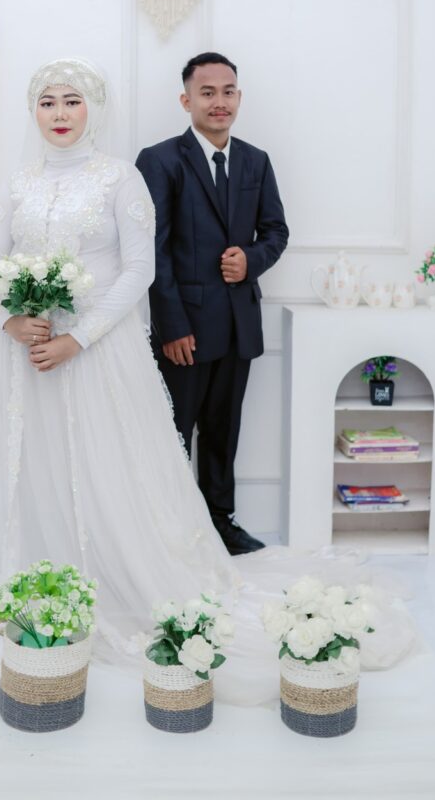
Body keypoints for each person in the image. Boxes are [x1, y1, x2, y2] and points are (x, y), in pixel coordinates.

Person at [0, 57, 413, 705]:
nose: (60, 113)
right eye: (48, 102)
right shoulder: (41, 177)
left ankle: (196, 531)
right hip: (50, 343)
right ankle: (56, 555)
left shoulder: (147, 172)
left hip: (131, 338)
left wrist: (83, 334)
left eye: (72, 100)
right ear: (186, 99)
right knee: (72, 449)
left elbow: (160, 260)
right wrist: (10, 316)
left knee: (183, 442)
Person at [136, 53, 289, 556]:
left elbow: (276, 231)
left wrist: (250, 260)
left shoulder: (256, 161)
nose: (219, 101)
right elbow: (153, 250)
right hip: (184, 330)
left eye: (228, 92)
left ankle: (221, 523)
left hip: (238, 324)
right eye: (207, 93)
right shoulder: (159, 160)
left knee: (224, 431)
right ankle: (169, 531)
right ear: (187, 101)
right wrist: (171, 326)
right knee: (173, 433)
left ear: (238, 98)